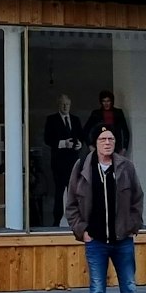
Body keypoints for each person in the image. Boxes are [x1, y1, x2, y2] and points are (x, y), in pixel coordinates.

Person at [66, 127, 146, 293]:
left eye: (111, 139)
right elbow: (70, 203)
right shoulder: (82, 168)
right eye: (102, 139)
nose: (107, 143)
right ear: (94, 144)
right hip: (97, 242)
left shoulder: (126, 168)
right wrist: (82, 231)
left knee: (130, 292)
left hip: (122, 241)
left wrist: (134, 225)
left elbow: (137, 199)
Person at [41, 93, 85, 225]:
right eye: (63, 104)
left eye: (67, 104)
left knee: (76, 190)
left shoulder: (75, 119)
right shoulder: (52, 119)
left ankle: (77, 218)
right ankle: (56, 220)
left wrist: (80, 144)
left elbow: (81, 136)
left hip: (73, 160)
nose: (65, 107)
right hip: (59, 161)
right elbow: (47, 139)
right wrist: (62, 143)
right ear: (58, 105)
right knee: (59, 191)